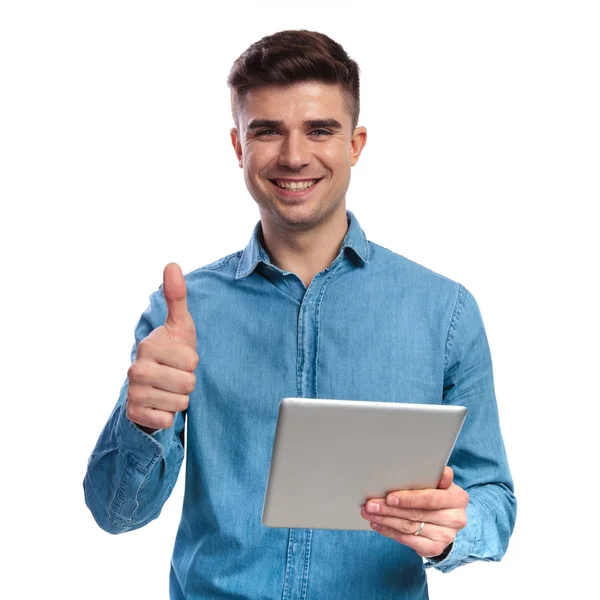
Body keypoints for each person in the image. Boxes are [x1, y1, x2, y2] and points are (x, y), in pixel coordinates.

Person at [84, 29, 516, 600]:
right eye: (267, 131)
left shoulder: (445, 311)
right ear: (239, 146)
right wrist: (142, 423)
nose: (293, 156)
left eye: (319, 130)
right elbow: (116, 515)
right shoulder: (180, 314)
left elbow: (494, 501)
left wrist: (451, 528)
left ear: (356, 144)